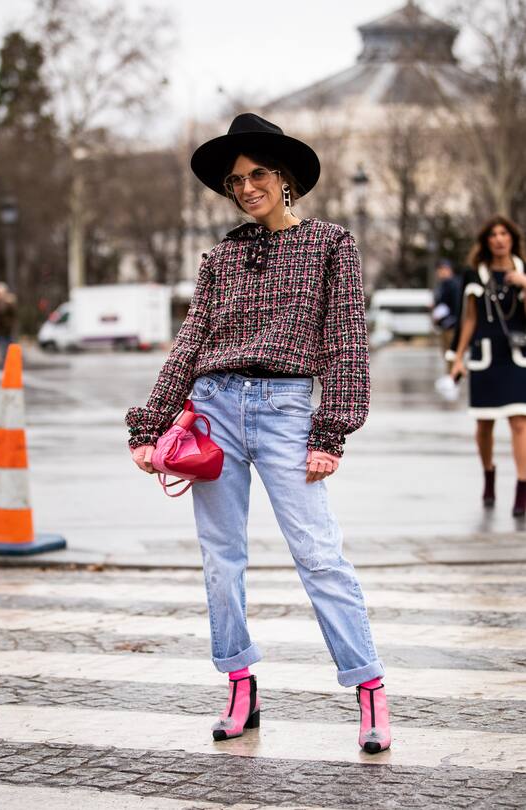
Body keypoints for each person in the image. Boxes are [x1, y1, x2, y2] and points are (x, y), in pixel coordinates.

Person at [126, 114, 391, 754]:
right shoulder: (220, 258)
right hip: (213, 410)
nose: (247, 188)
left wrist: (331, 431)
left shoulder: (331, 245)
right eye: (236, 180)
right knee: (221, 559)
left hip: (286, 411)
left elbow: (346, 342)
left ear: (284, 178)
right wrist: (151, 423)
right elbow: (191, 341)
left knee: (319, 555)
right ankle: (240, 686)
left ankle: (369, 691)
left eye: (258, 175)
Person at [450, 215, 526, 516]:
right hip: (485, 356)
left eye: (504, 233)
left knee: (519, 423)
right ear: (486, 241)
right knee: (484, 425)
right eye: (493, 234)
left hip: (516, 357)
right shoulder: (475, 275)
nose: (499, 239)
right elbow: (469, 318)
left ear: (512, 239)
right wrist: (457, 358)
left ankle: (522, 489)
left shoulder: (522, 269)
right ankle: (489, 475)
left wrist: (524, 284)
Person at [0, 282, 17, 364]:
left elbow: (13, 314)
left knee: (10, 347)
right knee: (1, 347)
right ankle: (3, 361)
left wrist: (9, 303)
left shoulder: (9, 303)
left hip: (8, 330)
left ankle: (11, 361)